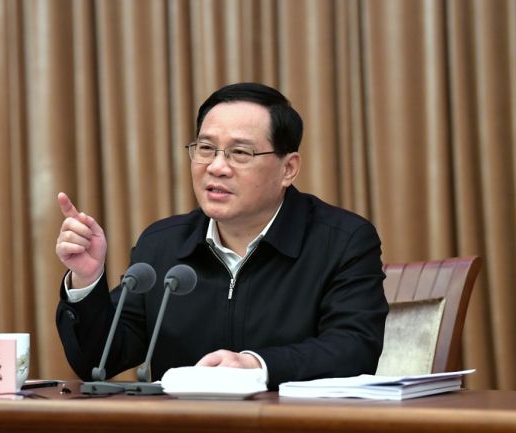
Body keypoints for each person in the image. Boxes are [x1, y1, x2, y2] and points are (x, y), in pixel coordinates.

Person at [55, 82, 388, 390]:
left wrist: (257, 366)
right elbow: (98, 362)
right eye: (205, 148)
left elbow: (354, 349)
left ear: (288, 169)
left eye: (240, 153)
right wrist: (87, 280)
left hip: (291, 423)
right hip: (185, 425)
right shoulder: (162, 244)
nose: (216, 167)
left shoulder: (341, 241)